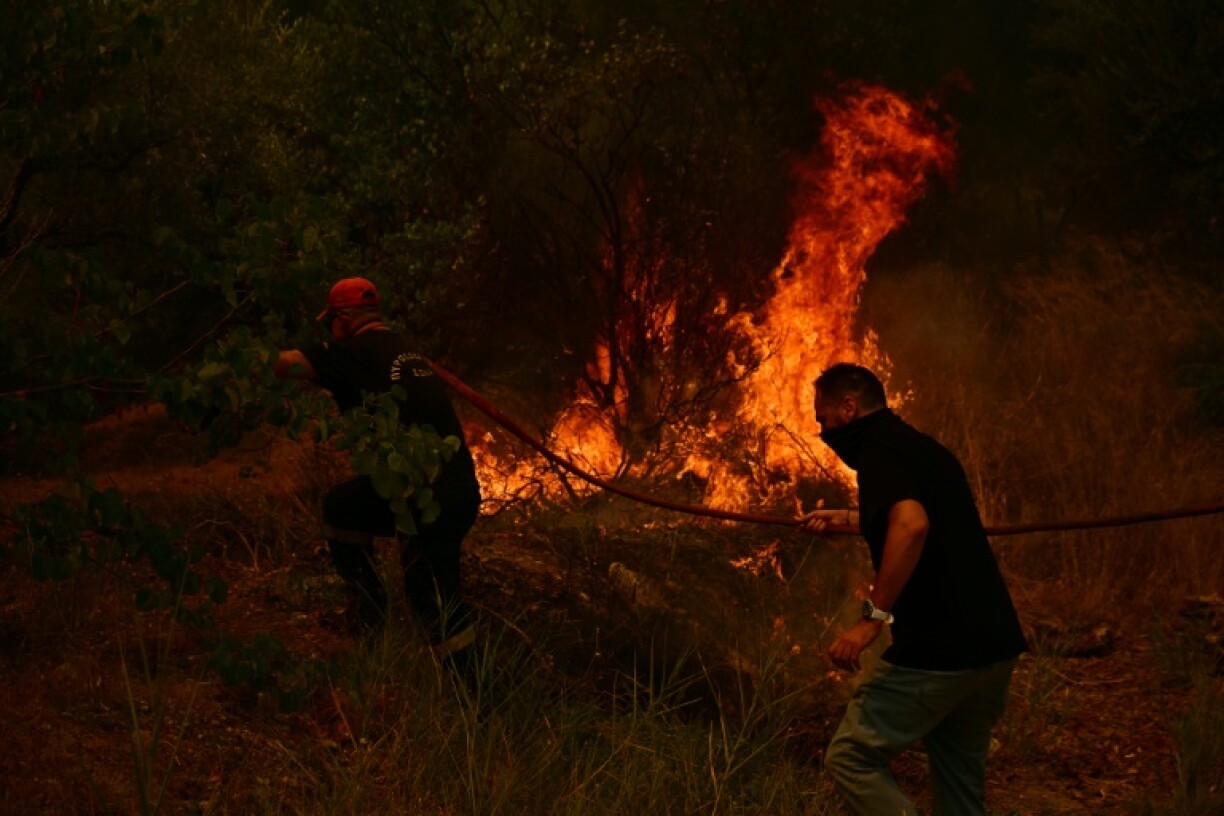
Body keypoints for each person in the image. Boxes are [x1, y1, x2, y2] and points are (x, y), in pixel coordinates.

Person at [802, 362, 1027, 816]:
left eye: (823, 419)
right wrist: (853, 517)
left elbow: (912, 523)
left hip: (939, 653)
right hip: (993, 649)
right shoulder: (923, 448)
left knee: (849, 758)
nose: (822, 431)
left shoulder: (879, 451)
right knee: (960, 790)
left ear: (849, 407)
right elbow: (923, 511)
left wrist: (872, 620)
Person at [274, 276, 482, 680]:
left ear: (343, 319)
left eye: (330, 324)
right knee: (343, 506)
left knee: (433, 597)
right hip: (449, 491)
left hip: (430, 497)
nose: (330, 334)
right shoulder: (407, 352)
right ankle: (371, 611)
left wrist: (227, 362)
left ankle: (474, 697)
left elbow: (285, 365)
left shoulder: (353, 352)